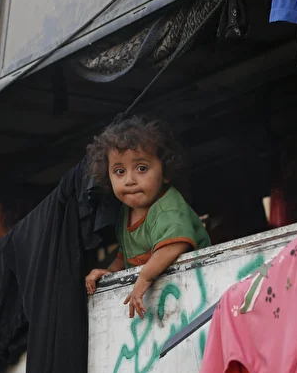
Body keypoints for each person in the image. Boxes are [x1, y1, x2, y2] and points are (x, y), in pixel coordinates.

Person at [84, 115, 211, 318]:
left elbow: (173, 245)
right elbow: (127, 253)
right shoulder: (125, 213)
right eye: (119, 171)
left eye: (141, 168)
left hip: (199, 292)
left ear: (165, 172)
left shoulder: (167, 205)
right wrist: (111, 272)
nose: (130, 180)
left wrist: (143, 279)